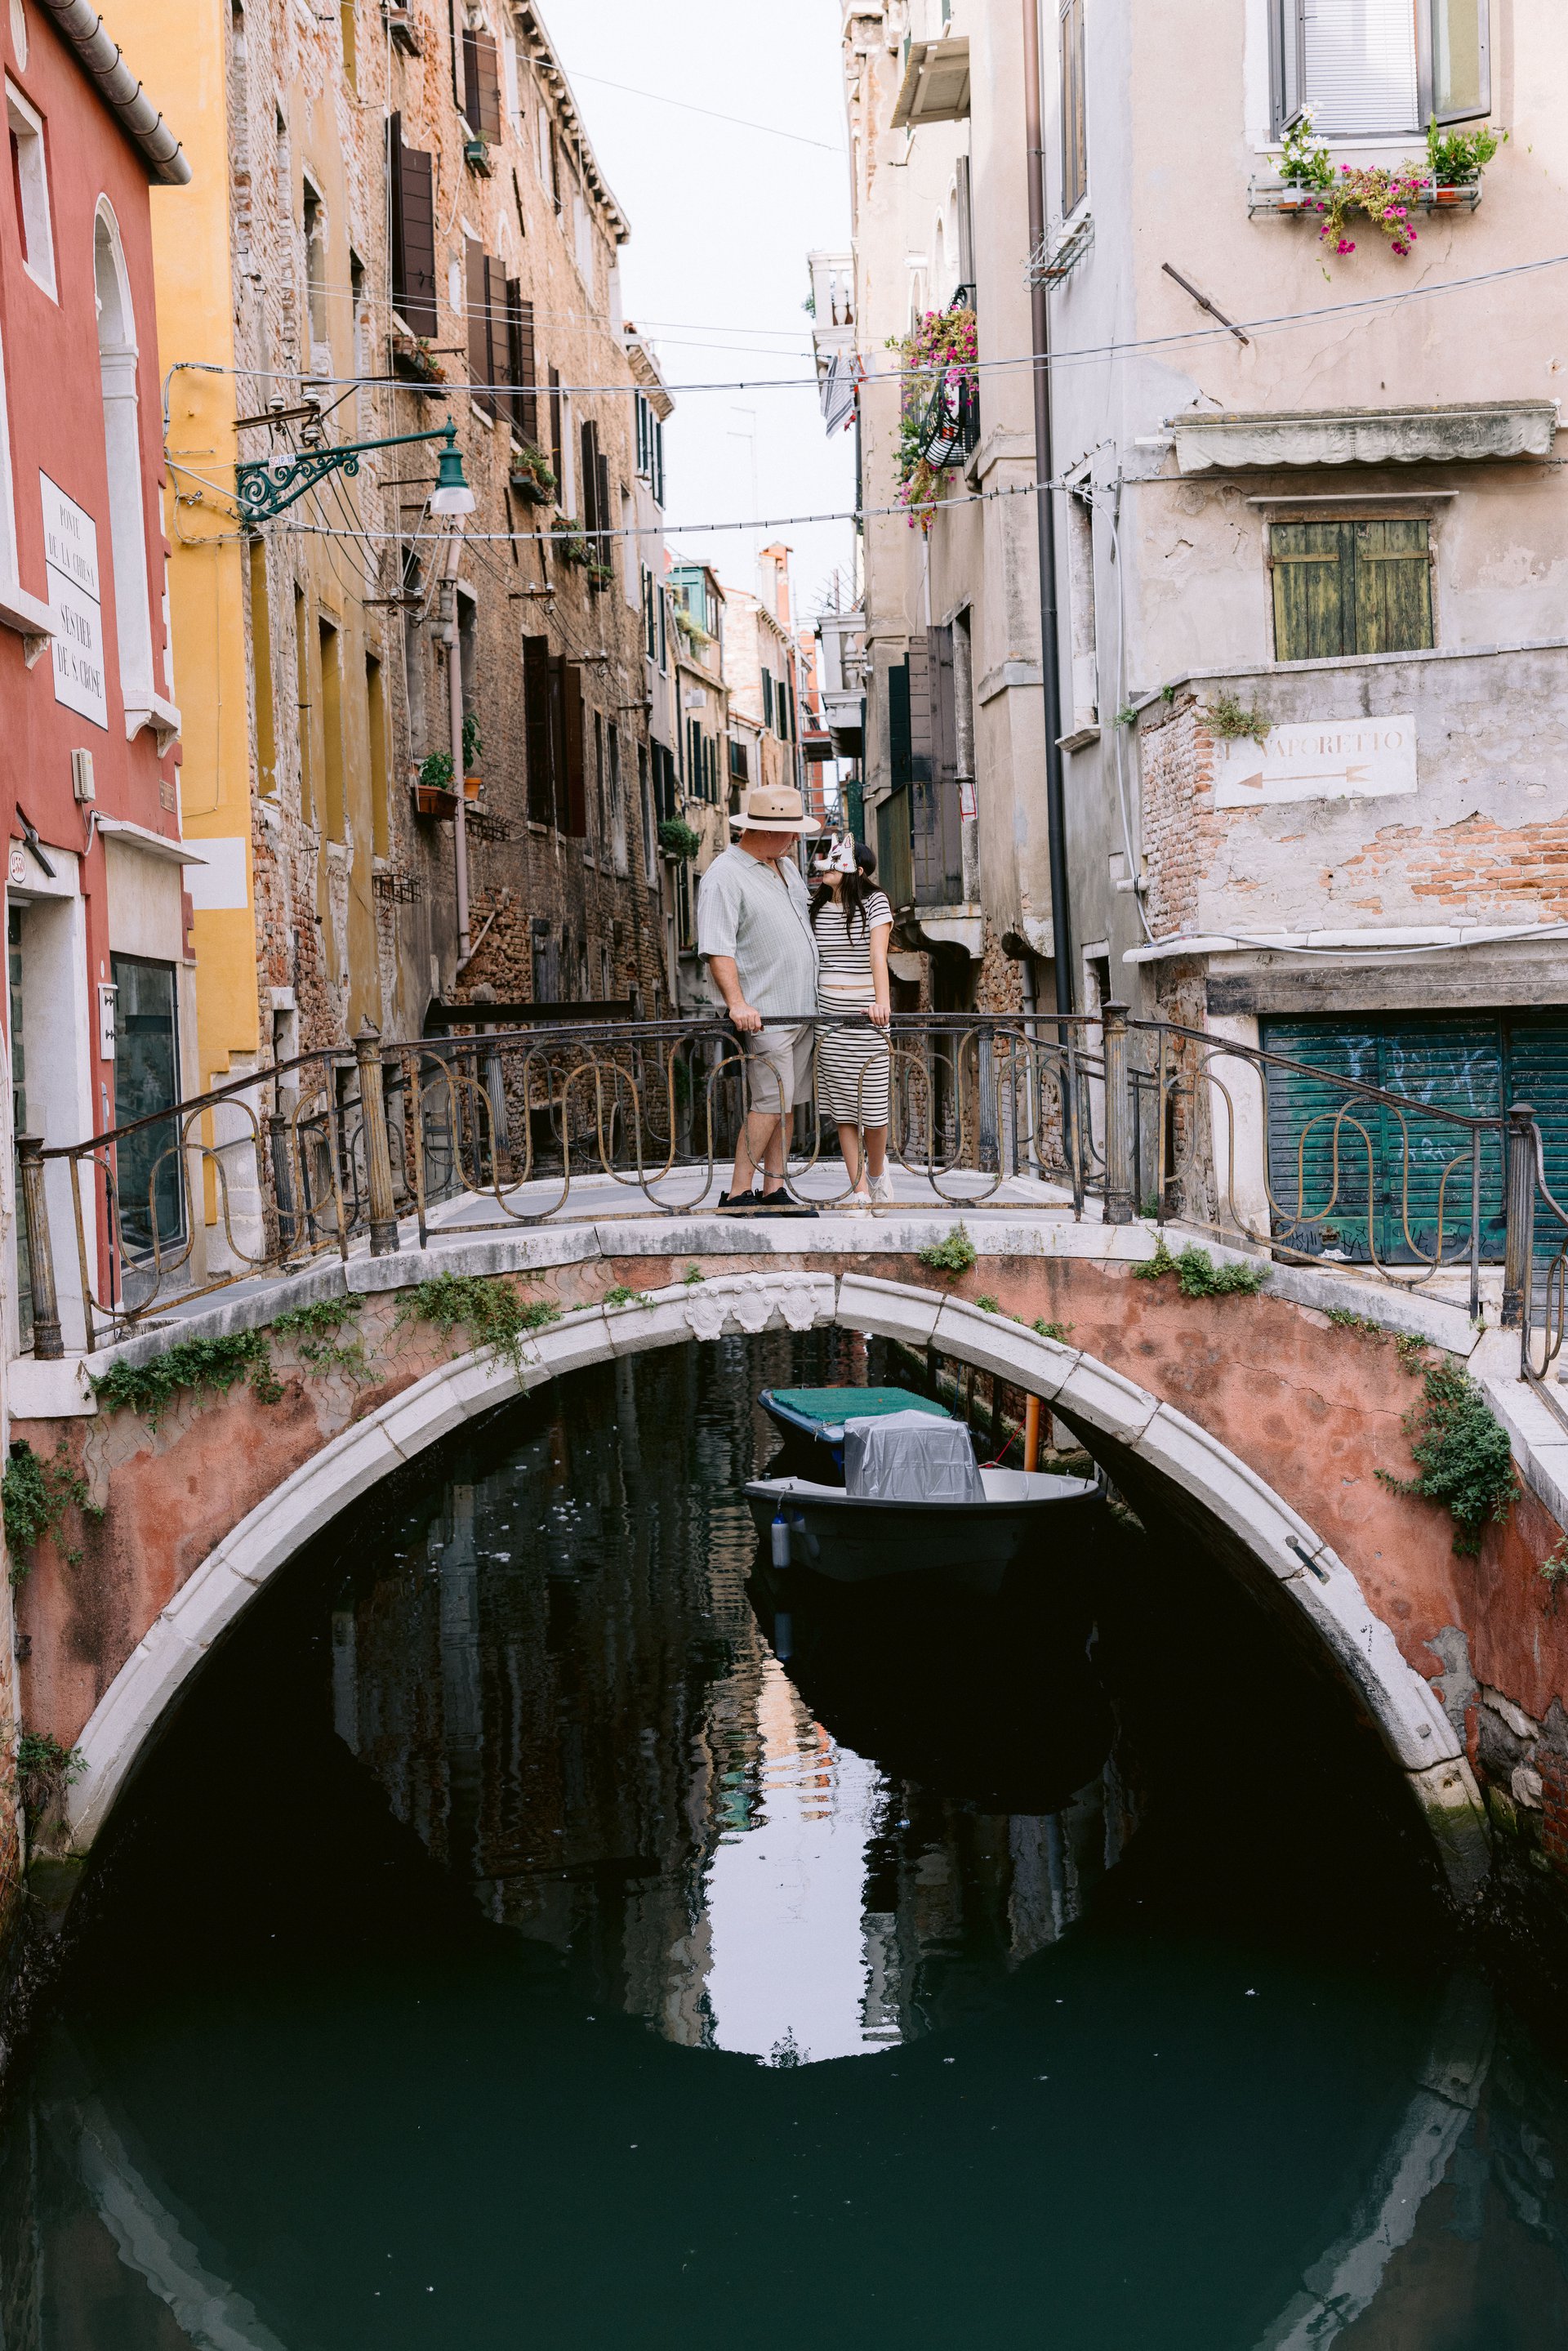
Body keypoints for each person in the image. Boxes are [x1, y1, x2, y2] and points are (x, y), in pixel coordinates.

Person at [696, 782, 822, 1216]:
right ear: (767, 830)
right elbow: (718, 947)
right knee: (769, 1103)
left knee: (787, 1105)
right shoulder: (724, 876)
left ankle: (774, 1190)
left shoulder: (785, 868)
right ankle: (737, 1193)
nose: (796, 840)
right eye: (791, 832)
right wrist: (737, 1003)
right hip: (766, 1013)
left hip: (801, 1009)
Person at [809, 835, 894, 1207]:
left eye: (836, 862)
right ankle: (858, 1191)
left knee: (874, 1111)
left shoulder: (876, 902)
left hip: (867, 1018)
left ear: (856, 871)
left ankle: (876, 1174)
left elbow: (878, 955)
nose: (826, 867)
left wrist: (882, 1004)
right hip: (828, 1021)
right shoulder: (814, 906)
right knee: (843, 1110)